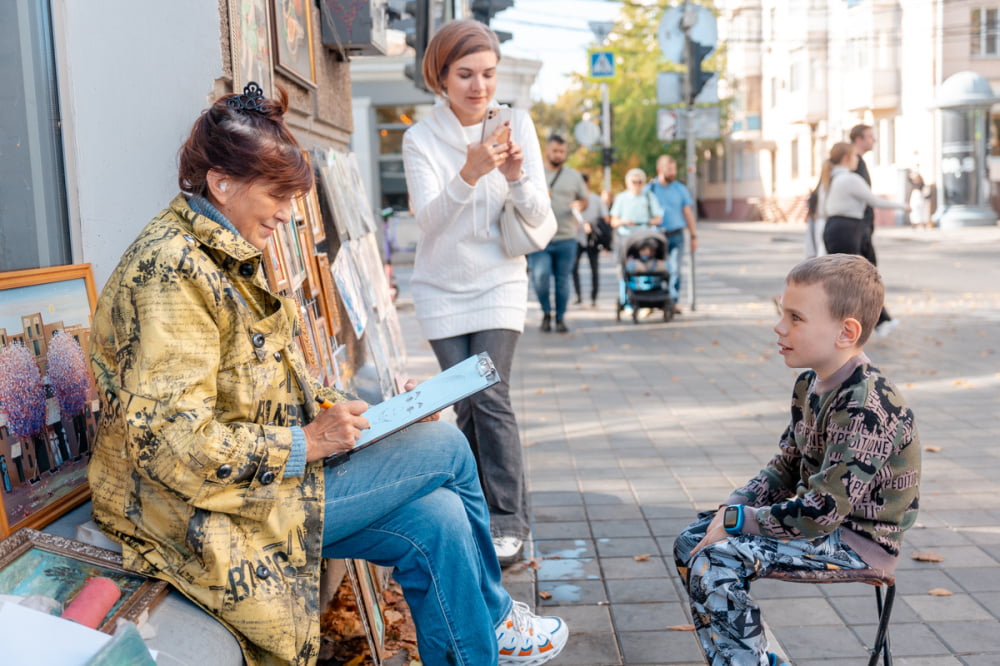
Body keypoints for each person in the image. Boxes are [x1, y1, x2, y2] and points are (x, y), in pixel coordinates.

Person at [88, 82, 567, 666]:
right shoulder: (173, 271)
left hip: (247, 487)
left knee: (438, 518)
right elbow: (172, 445)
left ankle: (480, 643)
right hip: (190, 514)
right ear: (222, 183)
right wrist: (307, 441)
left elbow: (268, 380)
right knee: (444, 445)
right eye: (277, 195)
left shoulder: (218, 250)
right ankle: (492, 623)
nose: (288, 213)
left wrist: (368, 411)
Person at [673, 254, 921, 666]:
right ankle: (754, 657)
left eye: (796, 318)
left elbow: (822, 511)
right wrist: (731, 508)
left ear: (846, 332)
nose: (779, 327)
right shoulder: (809, 384)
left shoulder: (867, 406)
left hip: (857, 540)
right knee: (691, 543)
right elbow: (785, 465)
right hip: (813, 523)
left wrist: (738, 522)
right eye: (780, 313)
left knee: (717, 559)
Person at [401, 20, 551, 567]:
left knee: (489, 395)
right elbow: (430, 222)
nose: (479, 86)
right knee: (462, 404)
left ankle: (510, 521)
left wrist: (513, 176)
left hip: (499, 281)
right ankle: (476, 511)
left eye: (488, 73)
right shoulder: (420, 138)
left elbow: (538, 217)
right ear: (440, 76)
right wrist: (468, 172)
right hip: (440, 288)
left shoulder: (518, 125)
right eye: (465, 74)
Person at [822, 142, 907, 338]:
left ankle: (874, 321)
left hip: (838, 228)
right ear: (846, 158)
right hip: (848, 229)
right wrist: (902, 206)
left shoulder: (833, 177)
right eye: (855, 157)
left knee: (848, 279)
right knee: (857, 279)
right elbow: (874, 200)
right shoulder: (850, 179)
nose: (857, 160)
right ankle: (878, 321)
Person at [528, 135, 588, 333]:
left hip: (566, 237)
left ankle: (560, 317)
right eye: (555, 151)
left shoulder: (573, 176)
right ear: (547, 150)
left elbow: (584, 200)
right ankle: (546, 311)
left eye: (562, 151)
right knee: (540, 277)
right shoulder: (535, 174)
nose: (558, 155)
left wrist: (580, 205)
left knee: (563, 280)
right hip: (539, 237)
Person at [645, 155, 697, 314]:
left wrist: (693, 235)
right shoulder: (650, 189)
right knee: (654, 269)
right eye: (669, 169)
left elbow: (687, 212)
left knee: (675, 269)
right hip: (656, 236)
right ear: (659, 170)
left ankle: (672, 302)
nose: (673, 172)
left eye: (674, 169)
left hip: (676, 234)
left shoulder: (680, 188)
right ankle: (651, 302)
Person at [572, 172, 609, 308]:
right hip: (577, 238)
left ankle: (594, 298)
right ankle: (578, 296)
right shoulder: (573, 200)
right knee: (573, 267)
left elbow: (605, 219)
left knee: (594, 268)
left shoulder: (596, 199)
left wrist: (592, 226)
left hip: (593, 239)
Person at [609, 168, 662, 241]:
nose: (637, 185)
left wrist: (644, 222)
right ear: (627, 183)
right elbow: (613, 222)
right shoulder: (621, 198)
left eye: (640, 182)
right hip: (626, 236)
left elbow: (658, 219)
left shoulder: (649, 197)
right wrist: (625, 222)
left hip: (644, 237)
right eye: (634, 182)